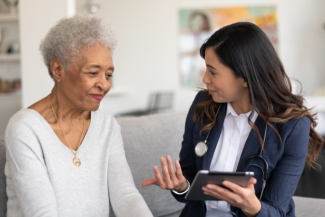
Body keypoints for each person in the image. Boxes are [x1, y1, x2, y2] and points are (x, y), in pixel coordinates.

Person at [143, 22, 324, 216]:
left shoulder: (292, 126)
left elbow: (277, 210)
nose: (205, 79)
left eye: (213, 72)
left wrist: (252, 206)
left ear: (245, 77)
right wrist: (181, 186)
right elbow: (189, 185)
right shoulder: (202, 105)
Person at [5, 15, 153, 217]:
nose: (105, 85)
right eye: (93, 73)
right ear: (58, 70)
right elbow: (42, 212)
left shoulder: (107, 126)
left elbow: (126, 196)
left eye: (108, 75)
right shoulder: (25, 129)